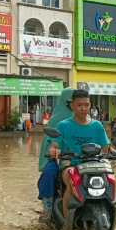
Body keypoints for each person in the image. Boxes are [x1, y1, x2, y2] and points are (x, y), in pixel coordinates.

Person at [46, 89, 116, 227]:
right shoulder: (63, 125)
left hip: (94, 165)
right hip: (70, 165)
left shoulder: (97, 126)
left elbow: (106, 148)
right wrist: (54, 151)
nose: (83, 108)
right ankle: (67, 225)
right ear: (72, 106)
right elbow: (53, 145)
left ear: (90, 105)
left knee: (109, 179)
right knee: (73, 181)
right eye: (79, 105)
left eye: (86, 105)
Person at [37, 88, 75, 219]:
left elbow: (101, 144)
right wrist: (53, 150)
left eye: (82, 104)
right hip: (60, 159)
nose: (74, 106)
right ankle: (47, 207)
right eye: (71, 102)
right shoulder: (57, 121)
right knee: (49, 173)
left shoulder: (90, 122)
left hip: (83, 159)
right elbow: (51, 143)